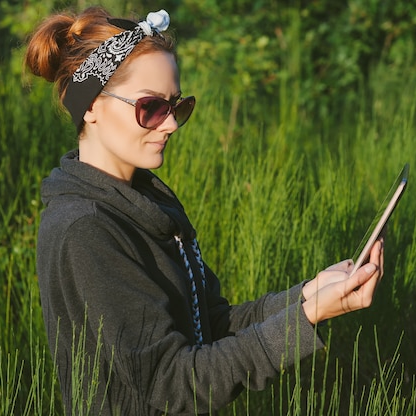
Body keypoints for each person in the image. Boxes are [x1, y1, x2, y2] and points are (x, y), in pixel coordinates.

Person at [25, 6, 384, 416]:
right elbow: (173, 384)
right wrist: (307, 316)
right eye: (150, 108)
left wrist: (307, 297)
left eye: (177, 105)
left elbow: (208, 325)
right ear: (91, 107)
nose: (171, 125)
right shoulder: (86, 229)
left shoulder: (147, 200)